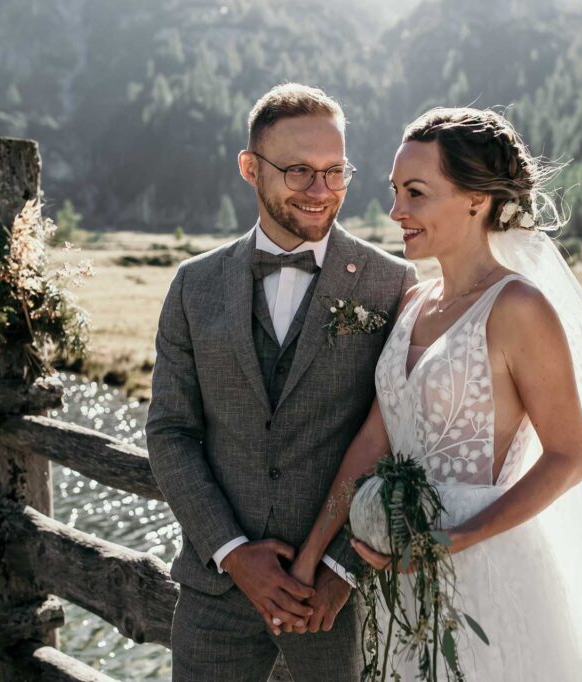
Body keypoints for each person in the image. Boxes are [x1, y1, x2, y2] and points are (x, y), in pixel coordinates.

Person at [289, 107, 582, 680]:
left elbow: (570, 459)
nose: (396, 211)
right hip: (401, 578)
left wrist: (450, 541)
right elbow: (376, 437)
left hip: (489, 566)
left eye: (416, 193)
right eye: (395, 191)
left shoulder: (519, 308)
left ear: (476, 199)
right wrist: (309, 558)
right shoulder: (415, 303)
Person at [145, 82, 416, 681]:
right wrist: (233, 553)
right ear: (250, 167)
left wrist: (344, 568)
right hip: (215, 596)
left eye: (335, 171)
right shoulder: (194, 285)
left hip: (337, 605)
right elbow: (170, 432)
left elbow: (402, 440)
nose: (321, 192)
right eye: (298, 171)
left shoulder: (391, 284)